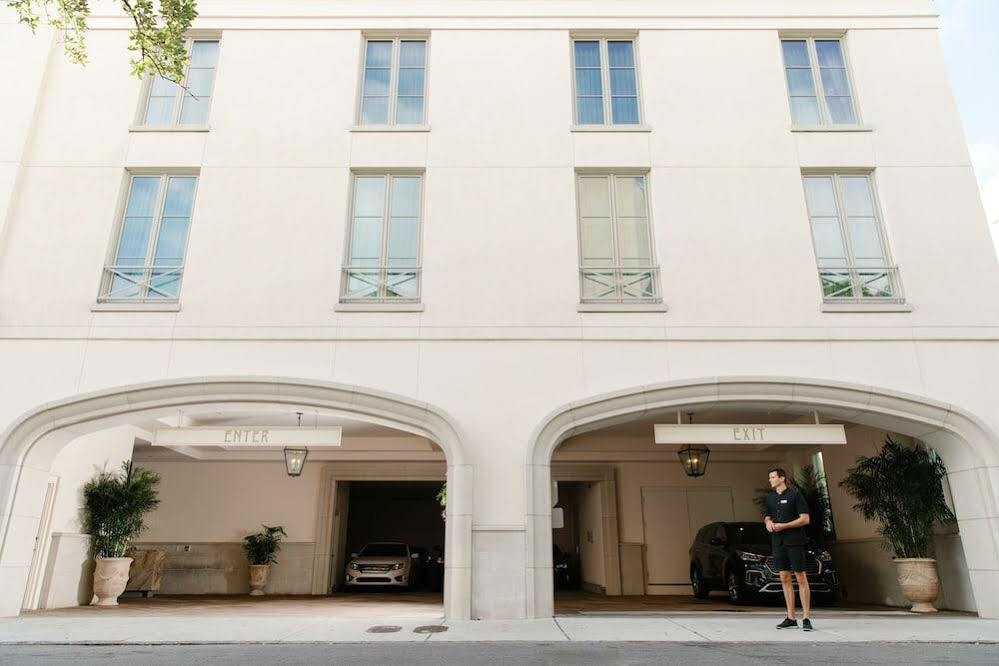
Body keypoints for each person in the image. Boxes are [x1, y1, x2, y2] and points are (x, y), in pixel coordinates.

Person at [764, 467, 813, 631]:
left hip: (794, 541)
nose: (770, 480)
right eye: (769, 477)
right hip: (777, 542)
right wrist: (768, 524)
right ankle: (791, 617)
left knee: (800, 577)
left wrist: (785, 525)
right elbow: (767, 516)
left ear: (782, 478)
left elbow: (805, 519)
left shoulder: (795, 495)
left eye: (773, 477)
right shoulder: (770, 498)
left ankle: (806, 618)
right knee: (784, 578)